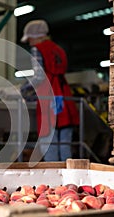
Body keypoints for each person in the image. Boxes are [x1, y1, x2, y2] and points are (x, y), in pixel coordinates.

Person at [20, 19, 79, 161]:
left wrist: (23, 90)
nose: (29, 43)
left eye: (30, 39)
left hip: (48, 97)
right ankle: (69, 179)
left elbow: (39, 76)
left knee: (48, 142)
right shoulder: (58, 49)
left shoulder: (37, 49)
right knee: (65, 144)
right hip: (64, 96)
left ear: (36, 36)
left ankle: (53, 181)